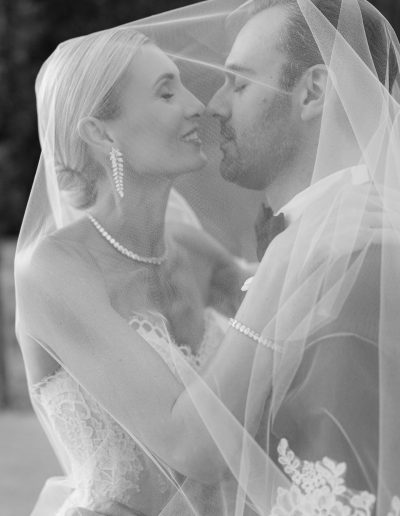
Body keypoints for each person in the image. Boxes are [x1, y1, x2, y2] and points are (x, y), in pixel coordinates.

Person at [15, 2, 400, 516]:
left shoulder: (194, 249)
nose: (201, 105)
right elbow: (190, 442)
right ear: (102, 133)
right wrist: (289, 254)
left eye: (233, 83)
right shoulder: (54, 269)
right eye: (166, 92)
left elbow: (293, 334)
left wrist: (326, 224)